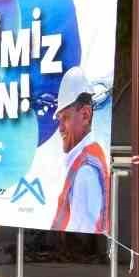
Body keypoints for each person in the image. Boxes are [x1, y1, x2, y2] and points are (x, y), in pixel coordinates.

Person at [52, 67, 109, 234]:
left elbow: (83, 229)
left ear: (85, 115)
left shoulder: (86, 172)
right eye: (59, 120)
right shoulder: (84, 160)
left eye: (66, 118)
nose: (60, 128)